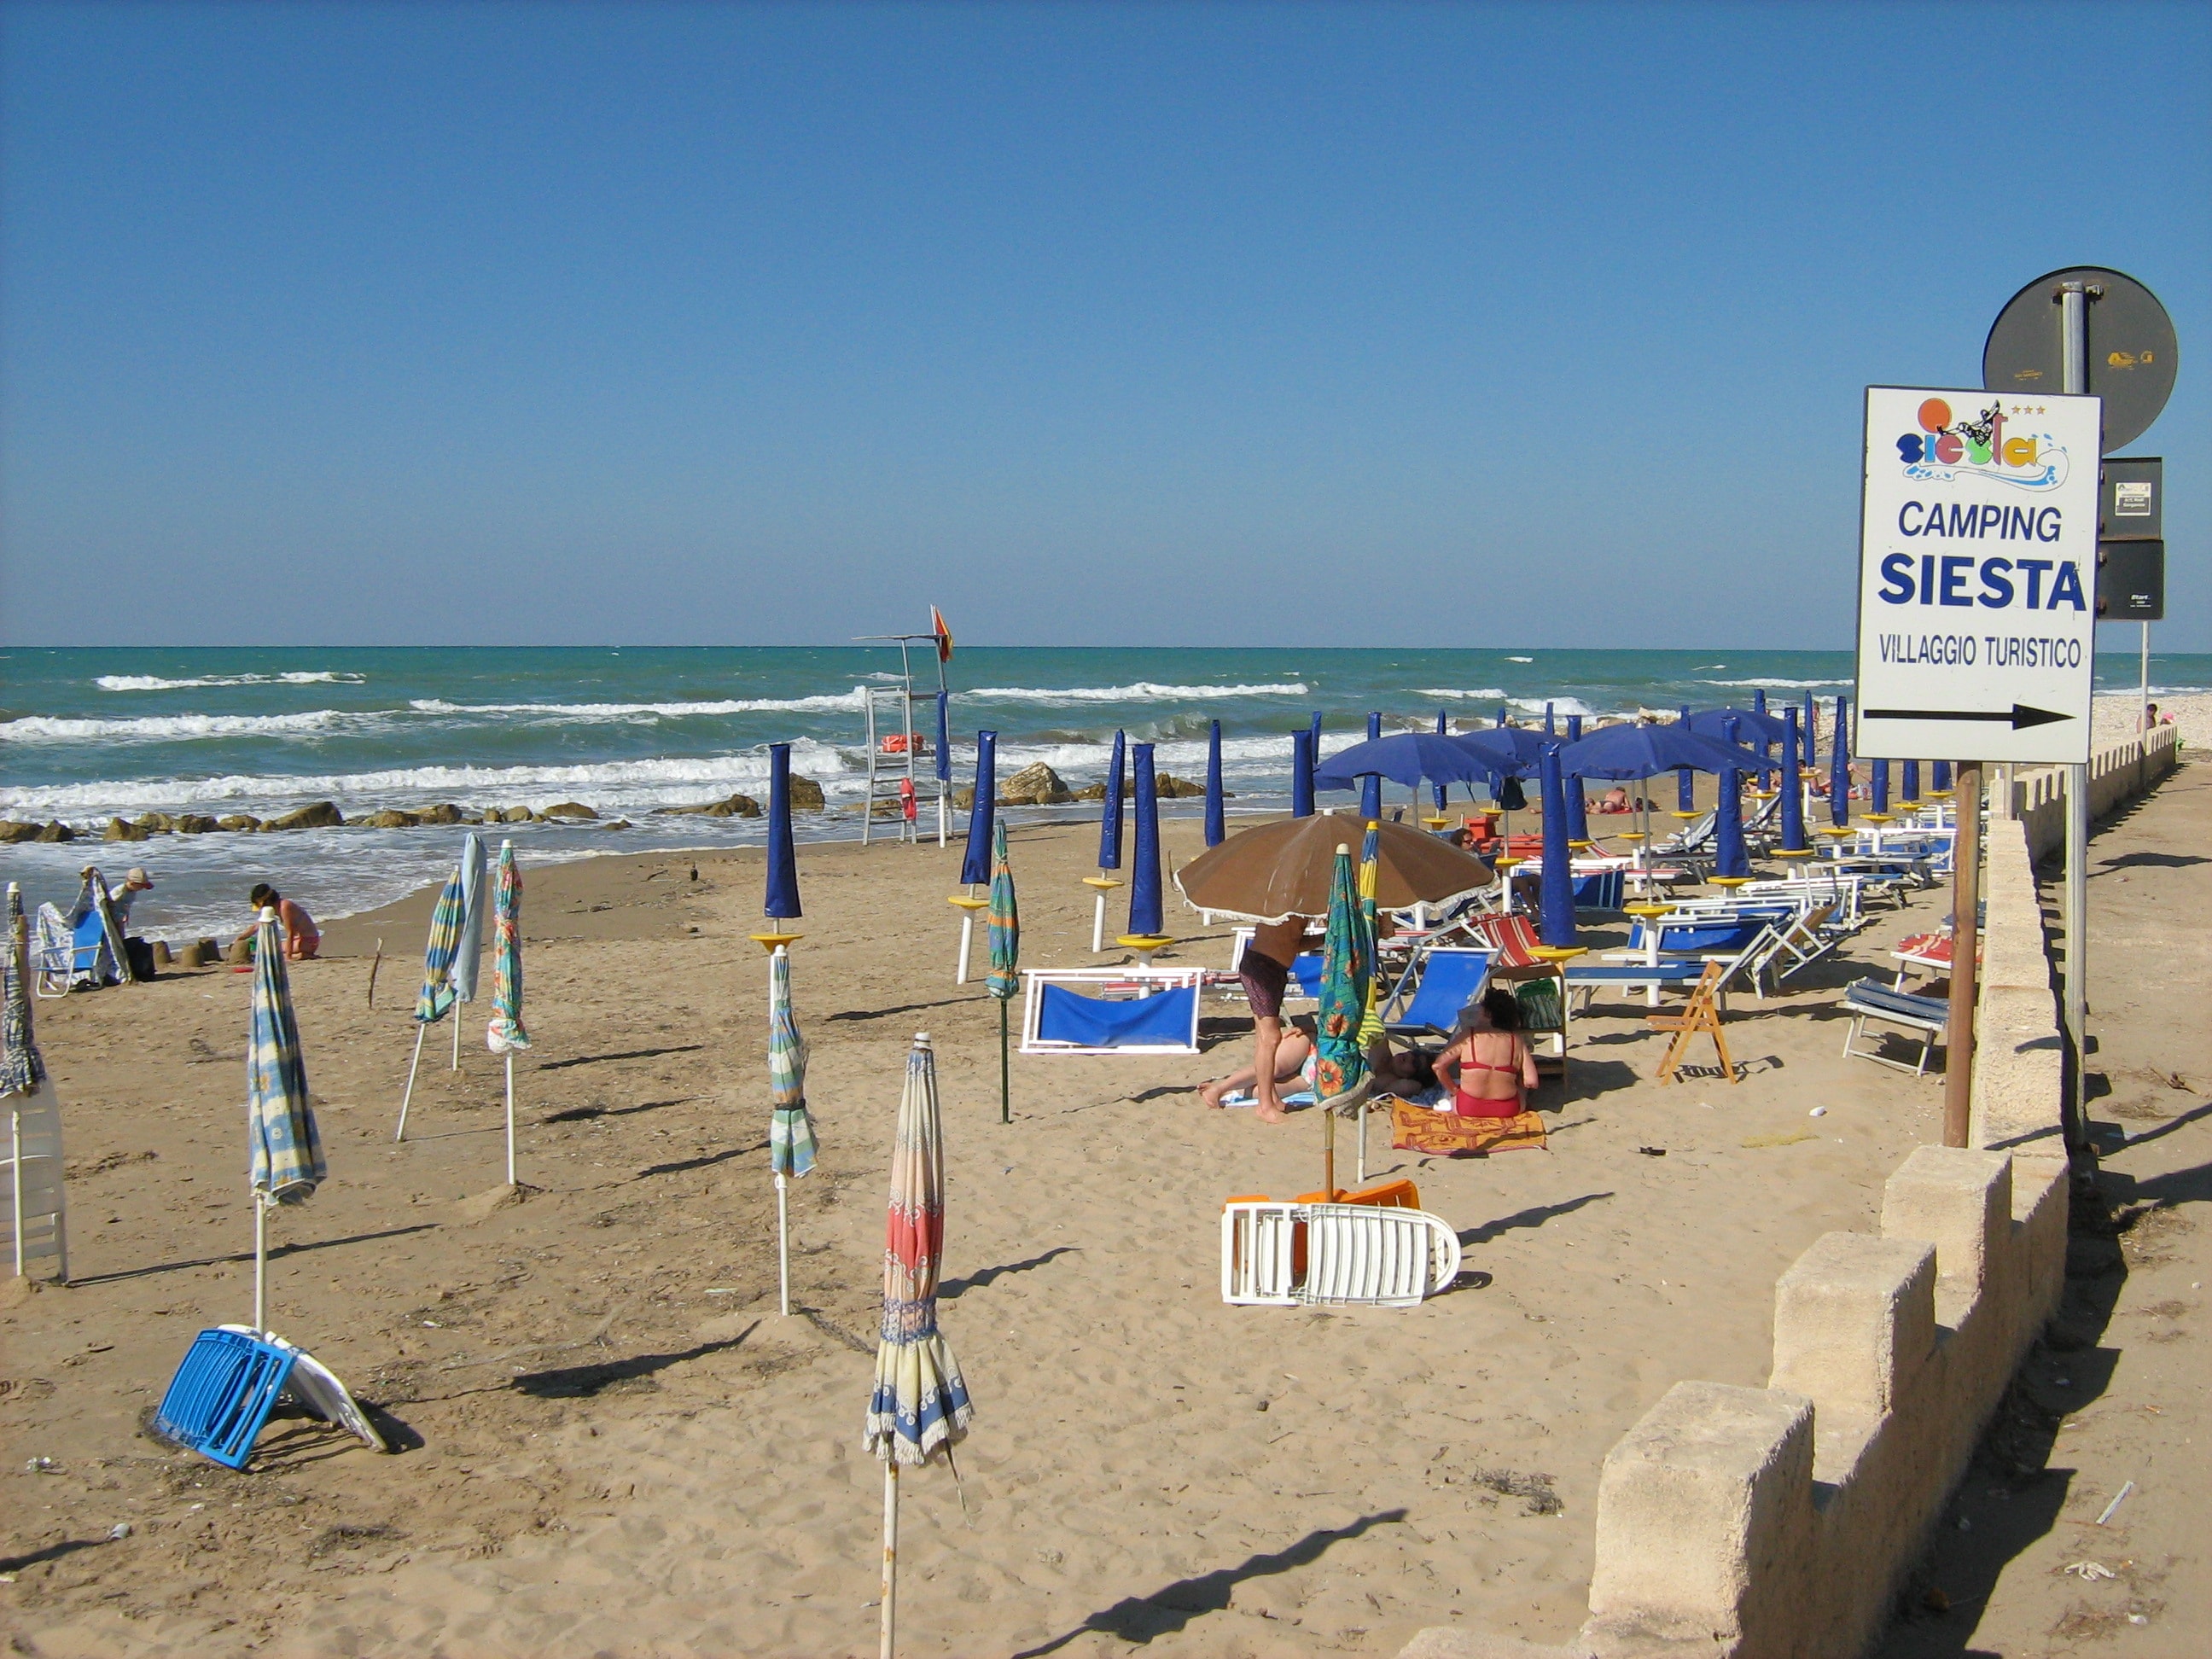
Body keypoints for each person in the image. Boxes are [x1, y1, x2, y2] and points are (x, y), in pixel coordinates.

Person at [1205, 916, 1311, 1123]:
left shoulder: (1302, 908)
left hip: (1275, 968)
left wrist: (1326, 937)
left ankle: (1270, 1097)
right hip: (1262, 967)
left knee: (1264, 1037)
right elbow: (1278, 937)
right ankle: (1265, 1105)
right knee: (1271, 1038)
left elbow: (1293, 943)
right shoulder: (1285, 906)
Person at [1435, 988, 1540, 1118]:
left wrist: (1454, 1090)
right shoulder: (1516, 1040)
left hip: (1468, 1107)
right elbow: (1532, 1081)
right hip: (1507, 1109)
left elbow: (1438, 1066)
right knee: (1521, 1090)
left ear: (1487, 1013)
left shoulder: (1469, 1036)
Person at [242, 883, 320, 960]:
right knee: (270, 949)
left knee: (272, 952)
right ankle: (299, 954)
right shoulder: (274, 907)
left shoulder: (284, 907)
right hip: (300, 940)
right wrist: (240, 939)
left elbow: (290, 933)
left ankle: (301, 955)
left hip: (309, 941)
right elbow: (256, 926)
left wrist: (289, 956)